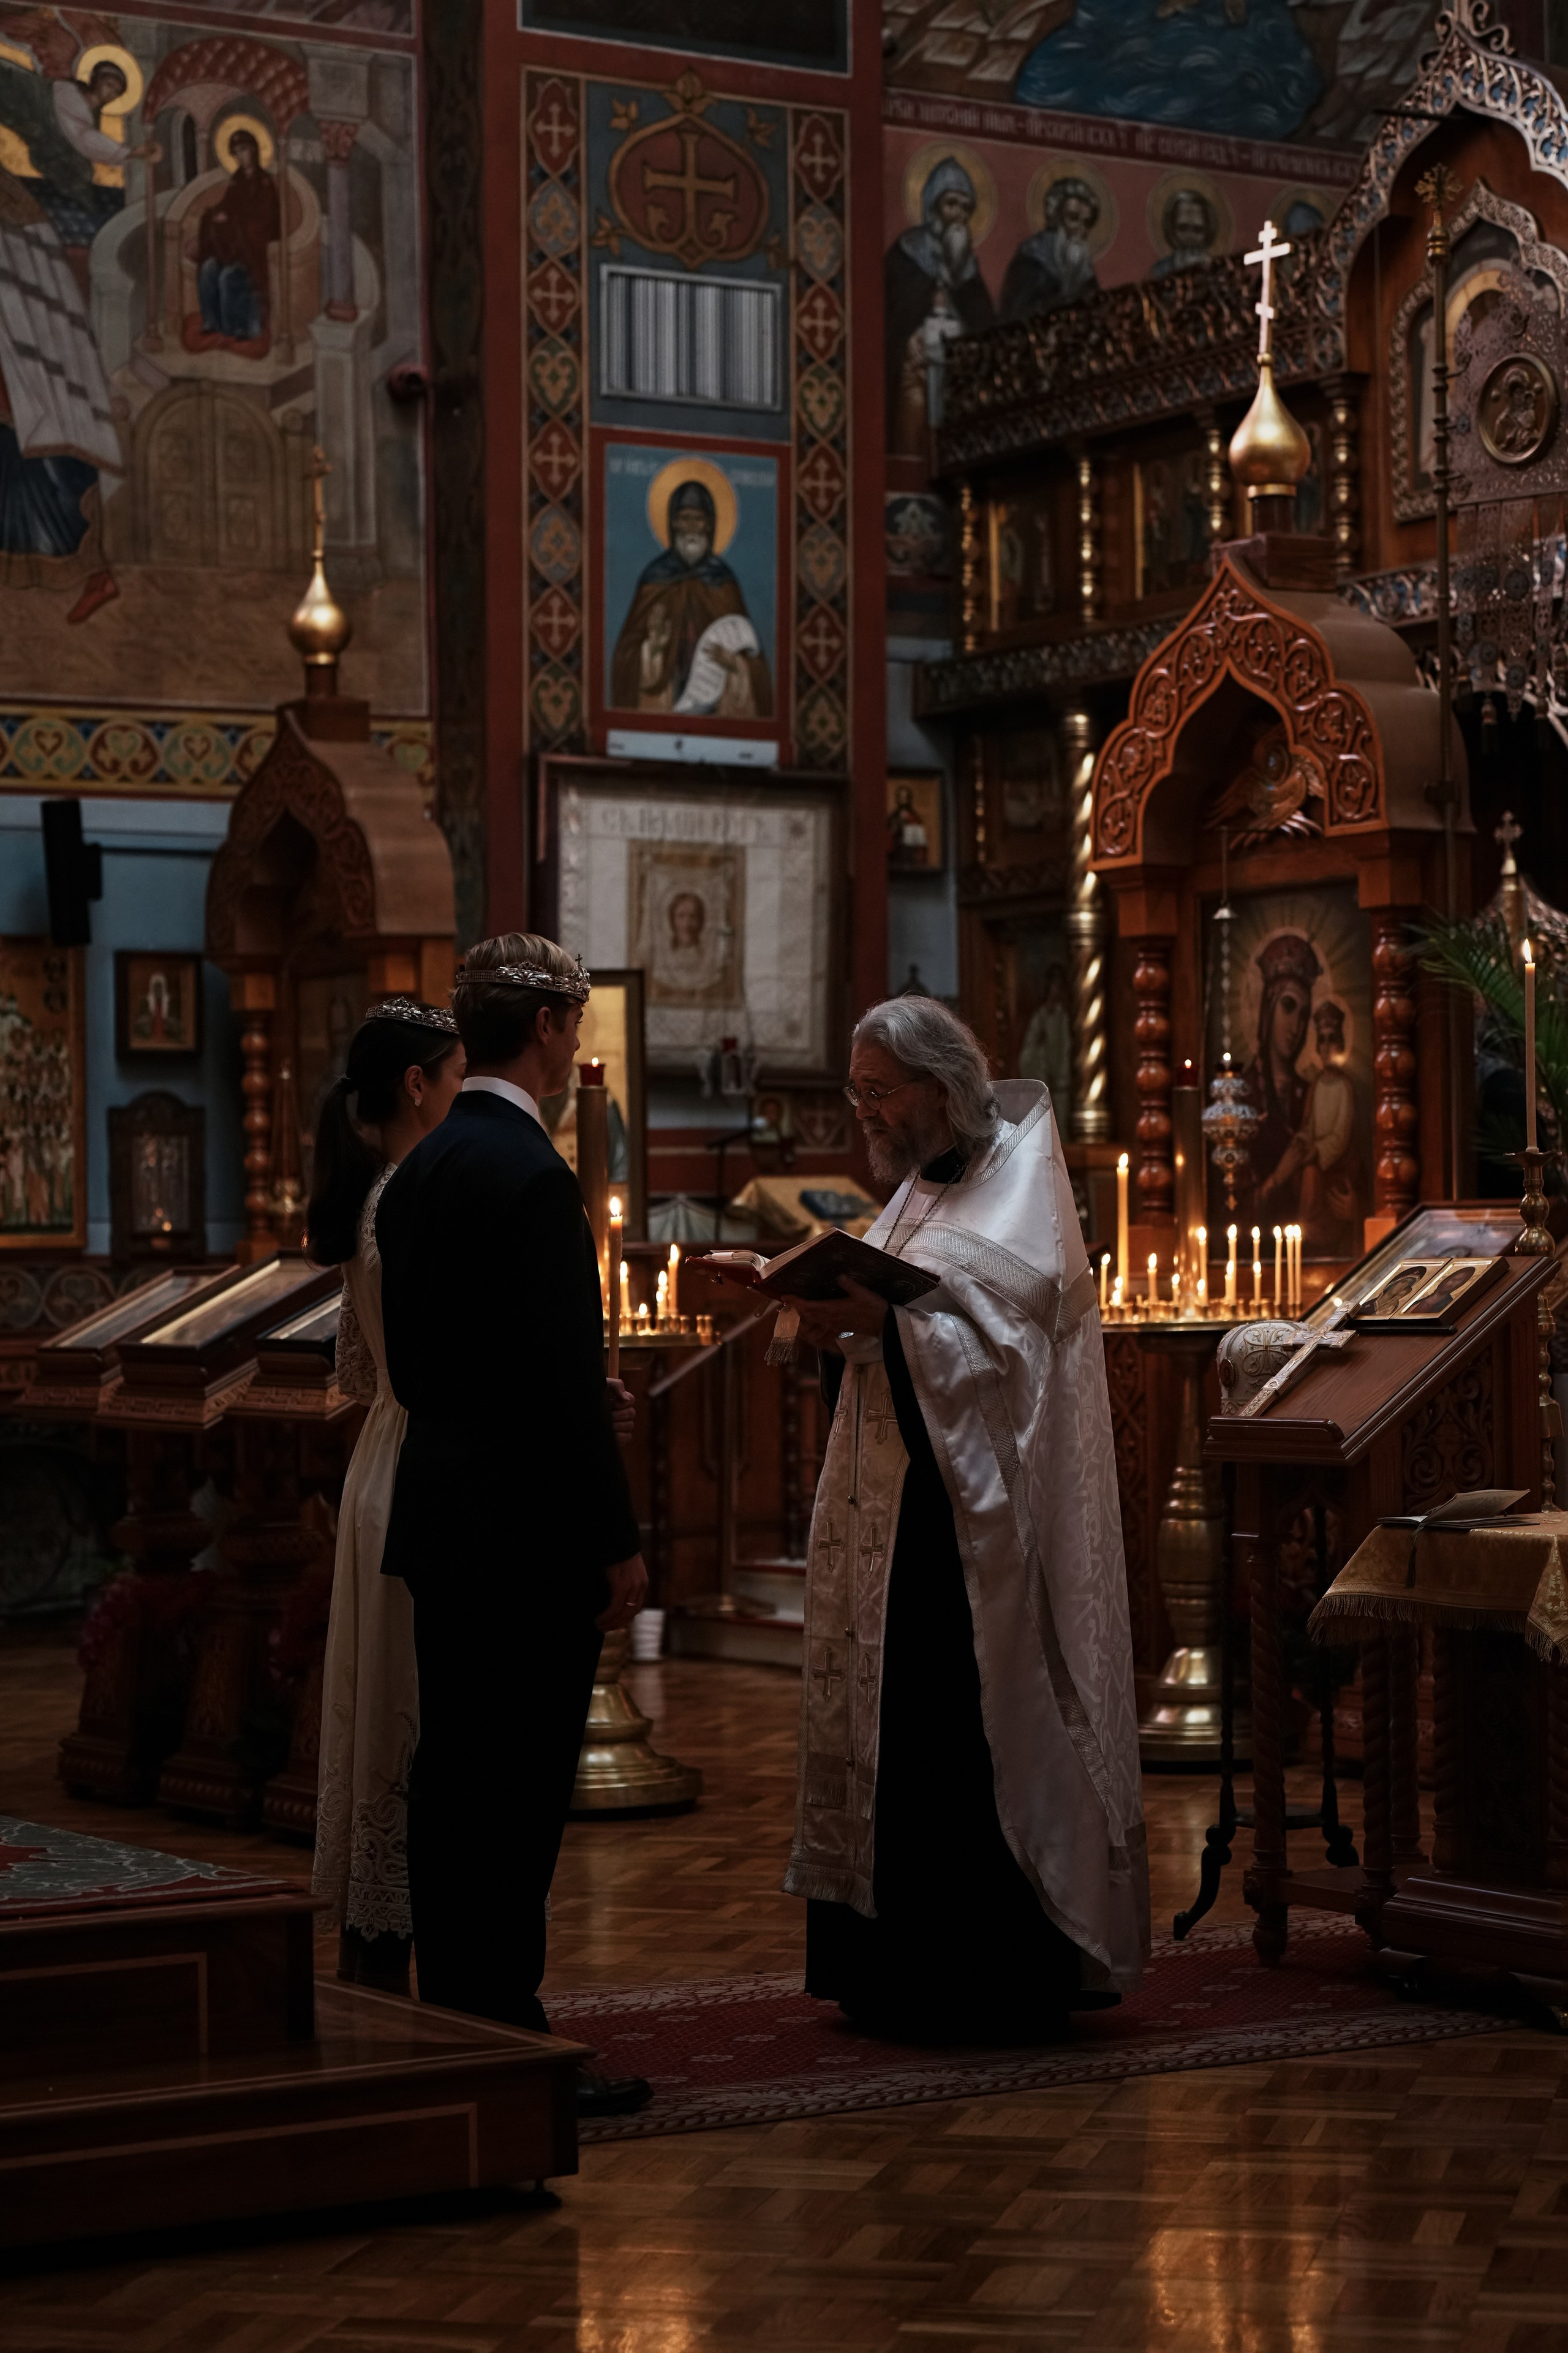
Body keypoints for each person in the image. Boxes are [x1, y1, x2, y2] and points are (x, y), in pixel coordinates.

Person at [778, 996, 1148, 2041]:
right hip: (893, 1513)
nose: (867, 1114)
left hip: (975, 1540)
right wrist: (832, 1322)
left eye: (879, 1092)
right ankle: (883, 1967)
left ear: (940, 1091)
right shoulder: (914, 1195)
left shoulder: (1017, 1194)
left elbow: (1012, 1369)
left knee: (953, 1735)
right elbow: (897, 1321)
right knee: (891, 1735)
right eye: (857, 1092)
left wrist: (885, 1333)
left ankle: (977, 1973)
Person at [377, 932, 651, 2115]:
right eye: (573, 1020)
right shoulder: (536, 1180)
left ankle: (450, 2017)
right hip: (529, 1535)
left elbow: (443, 1363)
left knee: (454, 1782)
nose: (577, 1039)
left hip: (442, 1512)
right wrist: (619, 1539)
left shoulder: (427, 1169)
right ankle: (513, 2038)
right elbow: (555, 1385)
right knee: (518, 1795)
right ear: (543, 1029)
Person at [306, 999, 465, 1993]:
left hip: (382, 1452)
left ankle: (376, 1931)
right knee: (411, 1701)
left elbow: (359, 1377)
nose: (460, 1096)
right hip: (418, 1465)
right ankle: (400, 1920)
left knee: (384, 1701)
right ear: (418, 1086)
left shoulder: (369, 1197)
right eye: (454, 1078)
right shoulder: (415, 1195)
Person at [609, 480, 772, 716]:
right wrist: (651, 651)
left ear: (709, 525)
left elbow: (756, 666)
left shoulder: (722, 581)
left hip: (716, 706)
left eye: (698, 520)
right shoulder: (655, 579)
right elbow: (625, 659)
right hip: (667, 697)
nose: (692, 528)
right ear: (673, 523)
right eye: (685, 519)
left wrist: (735, 665)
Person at [884, 156, 995, 445]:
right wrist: (908, 340)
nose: (959, 215)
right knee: (910, 433)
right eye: (952, 204)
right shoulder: (906, 254)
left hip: (955, 371)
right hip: (915, 366)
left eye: (965, 208)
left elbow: (986, 329)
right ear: (933, 206)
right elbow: (889, 317)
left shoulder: (969, 269)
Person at [1000, 177, 1101, 323]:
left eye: (1087, 223)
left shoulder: (1085, 271)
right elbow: (1015, 314)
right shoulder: (1032, 259)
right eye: (1073, 218)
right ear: (1056, 218)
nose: (1081, 230)